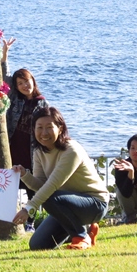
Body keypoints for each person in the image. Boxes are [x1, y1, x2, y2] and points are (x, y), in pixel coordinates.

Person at [12, 107, 109, 250]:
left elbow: (52, 185)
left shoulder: (71, 150)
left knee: (50, 197)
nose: (44, 133)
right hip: (66, 205)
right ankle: (85, 229)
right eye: (39, 127)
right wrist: (24, 175)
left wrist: (29, 208)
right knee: (37, 245)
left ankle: (81, 236)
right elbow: (40, 185)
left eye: (49, 127)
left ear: (60, 128)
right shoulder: (39, 151)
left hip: (95, 204)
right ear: (33, 130)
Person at [1, 37, 49, 231]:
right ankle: (9, 220)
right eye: (20, 83)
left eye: (26, 81)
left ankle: (30, 222)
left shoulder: (41, 102)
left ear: (32, 81)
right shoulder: (14, 97)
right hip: (14, 145)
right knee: (11, 181)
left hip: (32, 148)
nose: (24, 86)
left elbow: (48, 125)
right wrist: (5, 55)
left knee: (31, 185)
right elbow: (4, 79)